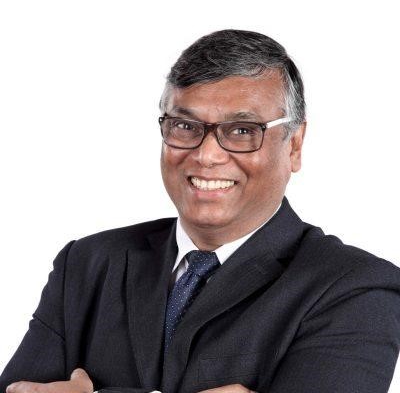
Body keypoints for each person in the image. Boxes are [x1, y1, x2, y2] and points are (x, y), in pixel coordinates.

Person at [1, 29, 400, 393]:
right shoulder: (88, 264)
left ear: (294, 145)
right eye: (185, 126)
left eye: (242, 131)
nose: (207, 155)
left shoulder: (355, 289)